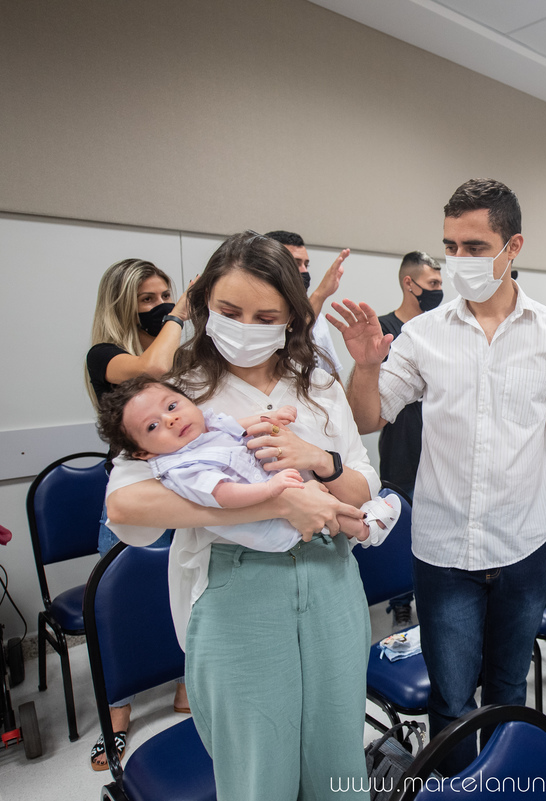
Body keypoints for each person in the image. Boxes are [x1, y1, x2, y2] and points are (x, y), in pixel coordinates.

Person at [103, 231, 379, 800]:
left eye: (266, 315)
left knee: (338, 763)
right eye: (229, 311)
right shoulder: (177, 393)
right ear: (204, 304)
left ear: (293, 318)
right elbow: (125, 504)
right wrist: (273, 501)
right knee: (259, 773)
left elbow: (361, 487)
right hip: (238, 589)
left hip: (331, 578)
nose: (246, 327)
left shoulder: (321, 386)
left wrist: (316, 461)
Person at [336, 179, 546, 775]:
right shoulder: (425, 335)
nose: (460, 261)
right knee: (452, 705)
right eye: (451, 247)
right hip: (444, 552)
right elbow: (369, 415)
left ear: (513, 246)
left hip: (524, 548)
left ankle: (502, 786)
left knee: (506, 695)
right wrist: (366, 367)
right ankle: (455, 790)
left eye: (475, 247)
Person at [84, 257, 191, 769]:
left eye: (166, 295)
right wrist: (180, 315)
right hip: (134, 489)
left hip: (183, 486)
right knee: (120, 598)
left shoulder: (176, 349)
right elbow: (152, 369)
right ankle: (118, 711)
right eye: (147, 299)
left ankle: (187, 684)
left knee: (188, 581)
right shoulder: (105, 354)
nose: (161, 306)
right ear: (122, 306)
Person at [96, 378, 397, 551]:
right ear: (142, 453)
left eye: (173, 406)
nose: (171, 419)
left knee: (318, 497)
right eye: (152, 427)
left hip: (310, 538)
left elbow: (235, 427)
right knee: (316, 516)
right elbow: (223, 496)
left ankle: (363, 520)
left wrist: (272, 419)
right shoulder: (182, 467)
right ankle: (363, 529)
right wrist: (275, 495)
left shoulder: (205, 428)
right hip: (261, 532)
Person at [378, 251, 442, 629]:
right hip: (401, 444)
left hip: (437, 442)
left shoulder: (440, 327)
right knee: (399, 518)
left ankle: (432, 593)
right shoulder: (386, 328)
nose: (438, 291)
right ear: (409, 283)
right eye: (432, 284)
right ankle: (400, 600)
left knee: (433, 524)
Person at [264, 230, 345, 377]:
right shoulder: (262, 316)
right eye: (296, 264)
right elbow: (290, 343)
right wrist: (320, 294)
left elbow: (332, 376)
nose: (304, 271)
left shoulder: (318, 318)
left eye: (306, 265)